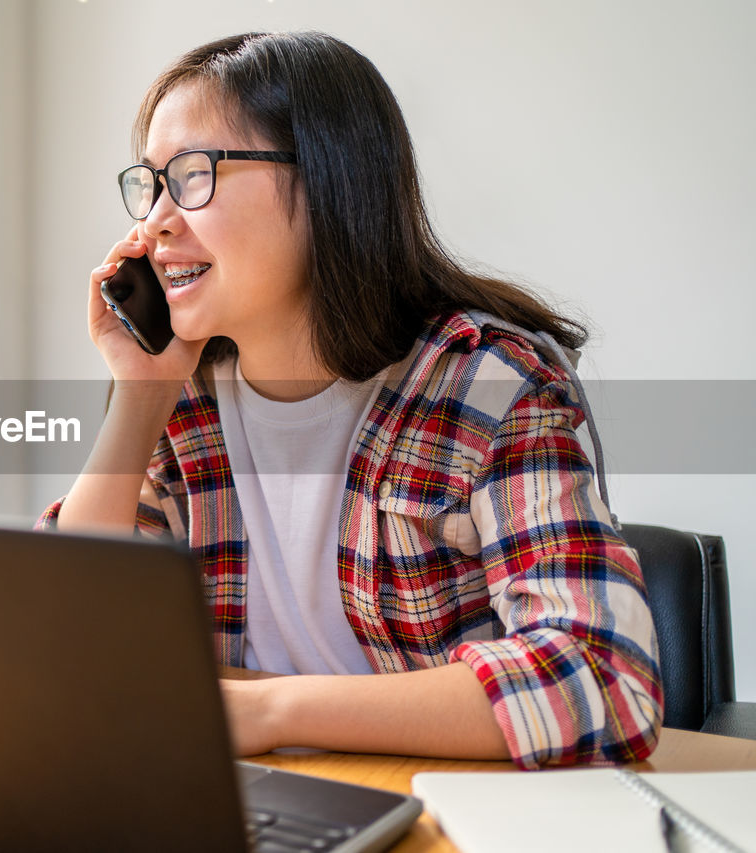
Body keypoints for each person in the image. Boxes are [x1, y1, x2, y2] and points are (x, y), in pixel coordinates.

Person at [36, 31, 661, 770]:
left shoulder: (486, 385)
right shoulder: (185, 394)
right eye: (150, 184)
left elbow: (604, 677)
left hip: (431, 802)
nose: (156, 222)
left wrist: (270, 711)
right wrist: (139, 400)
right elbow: (61, 647)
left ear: (328, 180)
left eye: (193, 176)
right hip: (243, 796)